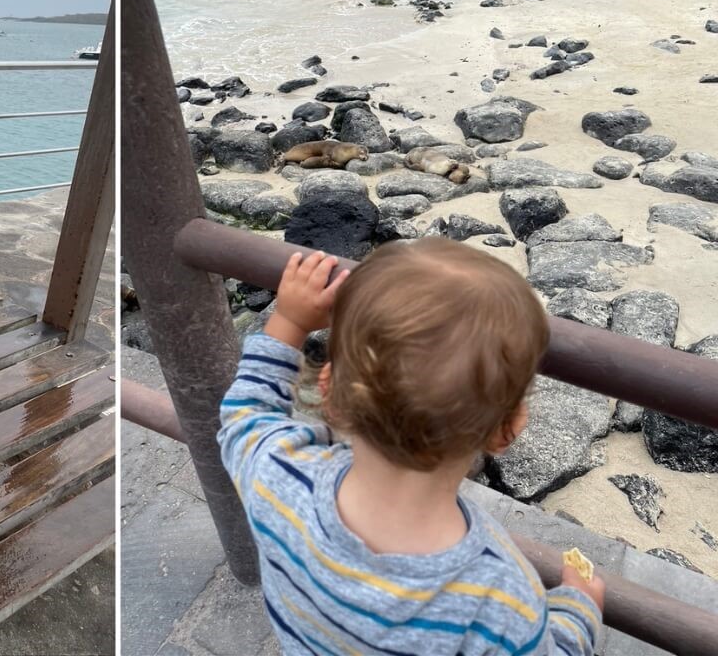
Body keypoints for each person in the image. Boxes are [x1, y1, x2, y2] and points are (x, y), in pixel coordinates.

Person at [217, 239, 604, 655]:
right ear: (507, 429)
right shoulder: (497, 597)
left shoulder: (277, 477)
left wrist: (289, 320)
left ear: (329, 390)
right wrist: (578, 609)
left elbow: (244, 413)